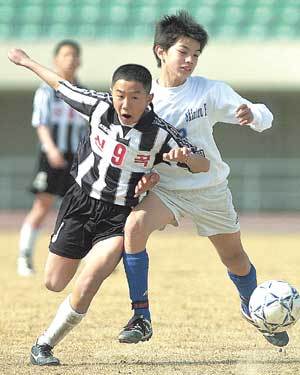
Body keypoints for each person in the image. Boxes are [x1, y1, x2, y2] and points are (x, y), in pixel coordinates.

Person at [8, 47, 209, 366]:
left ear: (149, 99)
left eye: (134, 97)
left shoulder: (160, 133)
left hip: (118, 216)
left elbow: (203, 164)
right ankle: (76, 262)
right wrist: (27, 61)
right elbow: (60, 85)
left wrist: (186, 158)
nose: (125, 104)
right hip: (79, 203)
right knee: (54, 282)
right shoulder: (98, 106)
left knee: (92, 276)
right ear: (111, 94)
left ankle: (44, 344)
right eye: (120, 95)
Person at [118, 11, 288, 348]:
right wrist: (145, 176)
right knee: (134, 228)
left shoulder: (208, 91)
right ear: (160, 51)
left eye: (196, 54)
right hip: (167, 190)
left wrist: (252, 114)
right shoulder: (141, 100)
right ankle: (141, 316)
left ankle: (255, 308)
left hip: (208, 189)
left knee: (235, 258)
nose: (190, 60)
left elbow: (263, 116)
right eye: (183, 52)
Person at [18, 40, 88, 277]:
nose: (70, 59)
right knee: (42, 205)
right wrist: (51, 149)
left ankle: (86, 259)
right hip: (52, 156)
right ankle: (24, 257)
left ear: (79, 61)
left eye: (74, 55)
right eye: (65, 55)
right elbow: (41, 123)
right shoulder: (47, 90)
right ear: (55, 60)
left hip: (77, 160)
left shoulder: (82, 91)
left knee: (80, 208)